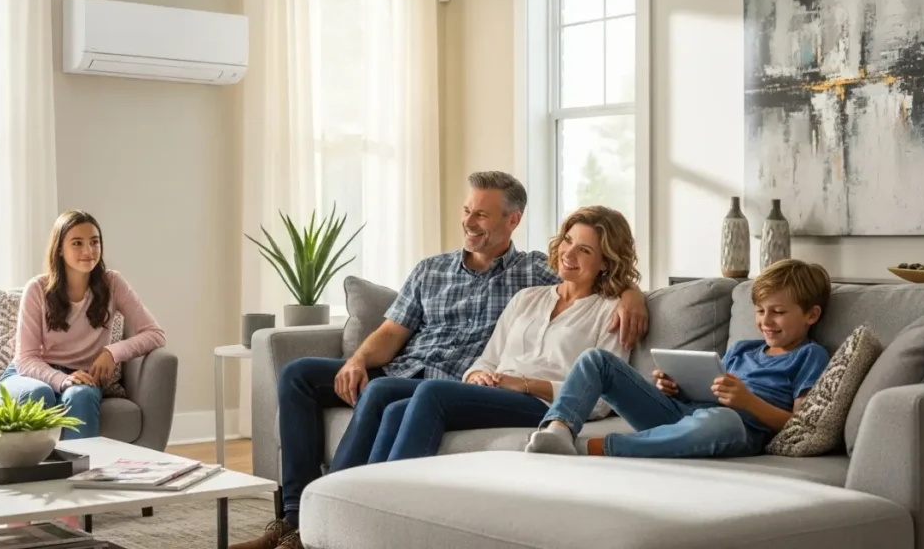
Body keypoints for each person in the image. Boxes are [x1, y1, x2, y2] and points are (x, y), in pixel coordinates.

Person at [232, 172, 650, 549]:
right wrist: (361, 359)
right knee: (311, 377)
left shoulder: (558, 285)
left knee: (407, 393)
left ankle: (344, 513)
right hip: (445, 379)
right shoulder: (526, 294)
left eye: (482, 215)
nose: (470, 222)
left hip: (519, 397)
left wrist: (630, 292)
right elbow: (421, 340)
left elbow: (599, 390)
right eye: (467, 211)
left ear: (513, 220)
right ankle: (307, 518)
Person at [362, 206, 639, 464]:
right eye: (567, 240)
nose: (568, 253)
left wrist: (523, 384)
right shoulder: (527, 298)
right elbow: (486, 360)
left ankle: (393, 495)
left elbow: (602, 401)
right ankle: (350, 493)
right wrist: (477, 376)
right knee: (393, 406)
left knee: (432, 392)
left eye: (585, 250)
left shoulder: (613, 312)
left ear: (606, 262)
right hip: (495, 391)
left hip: (544, 404)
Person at [525, 258, 831, 459]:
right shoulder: (743, 350)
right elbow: (710, 390)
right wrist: (676, 387)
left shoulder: (809, 356)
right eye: (761, 311)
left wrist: (747, 402)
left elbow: (801, 424)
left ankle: (592, 447)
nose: (766, 321)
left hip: (736, 428)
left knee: (720, 418)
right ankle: (559, 431)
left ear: (811, 315)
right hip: (685, 413)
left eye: (778, 313)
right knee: (597, 360)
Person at [0, 210, 167, 441]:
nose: (88, 251)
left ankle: (83, 474)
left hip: (83, 377)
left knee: (81, 396)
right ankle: (36, 474)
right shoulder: (37, 289)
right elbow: (25, 359)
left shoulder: (113, 283)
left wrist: (112, 352)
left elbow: (155, 334)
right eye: (77, 243)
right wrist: (61, 380)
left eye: (94, 242)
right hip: (29, 374)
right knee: (38, 394)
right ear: (60, 249)